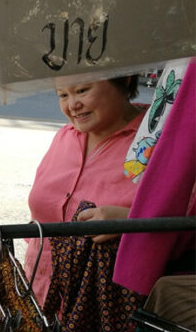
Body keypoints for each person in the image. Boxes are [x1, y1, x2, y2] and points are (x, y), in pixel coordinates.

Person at [24, 77, 148, 304]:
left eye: (82, 91)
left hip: (106, 305)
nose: (72, 105)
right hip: (38, 294)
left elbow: (185, 221)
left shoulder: (155, 141)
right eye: (63, 95)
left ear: (124, 80)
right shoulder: (65, 136)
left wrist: (132, 221)